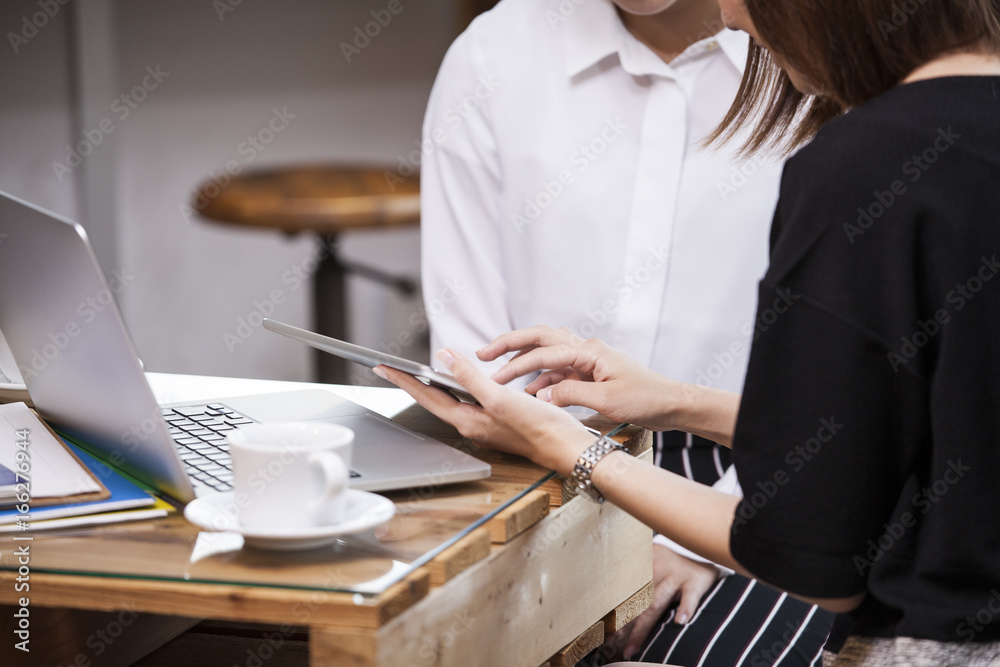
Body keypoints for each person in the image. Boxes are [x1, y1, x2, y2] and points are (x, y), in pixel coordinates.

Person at [381, 0, 1000, 664]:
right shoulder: (494, 52)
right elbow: (912, 428)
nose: (734, 15)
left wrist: (586, 454)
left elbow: (818, 546)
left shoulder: (858, 154)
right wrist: (673, 401)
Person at [418, 0, 835, 662]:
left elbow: (847, 385)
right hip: (535, 468)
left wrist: (698, 539)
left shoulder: (819, 64)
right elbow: (471, 342)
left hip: (755, 471)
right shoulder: (494, 55)